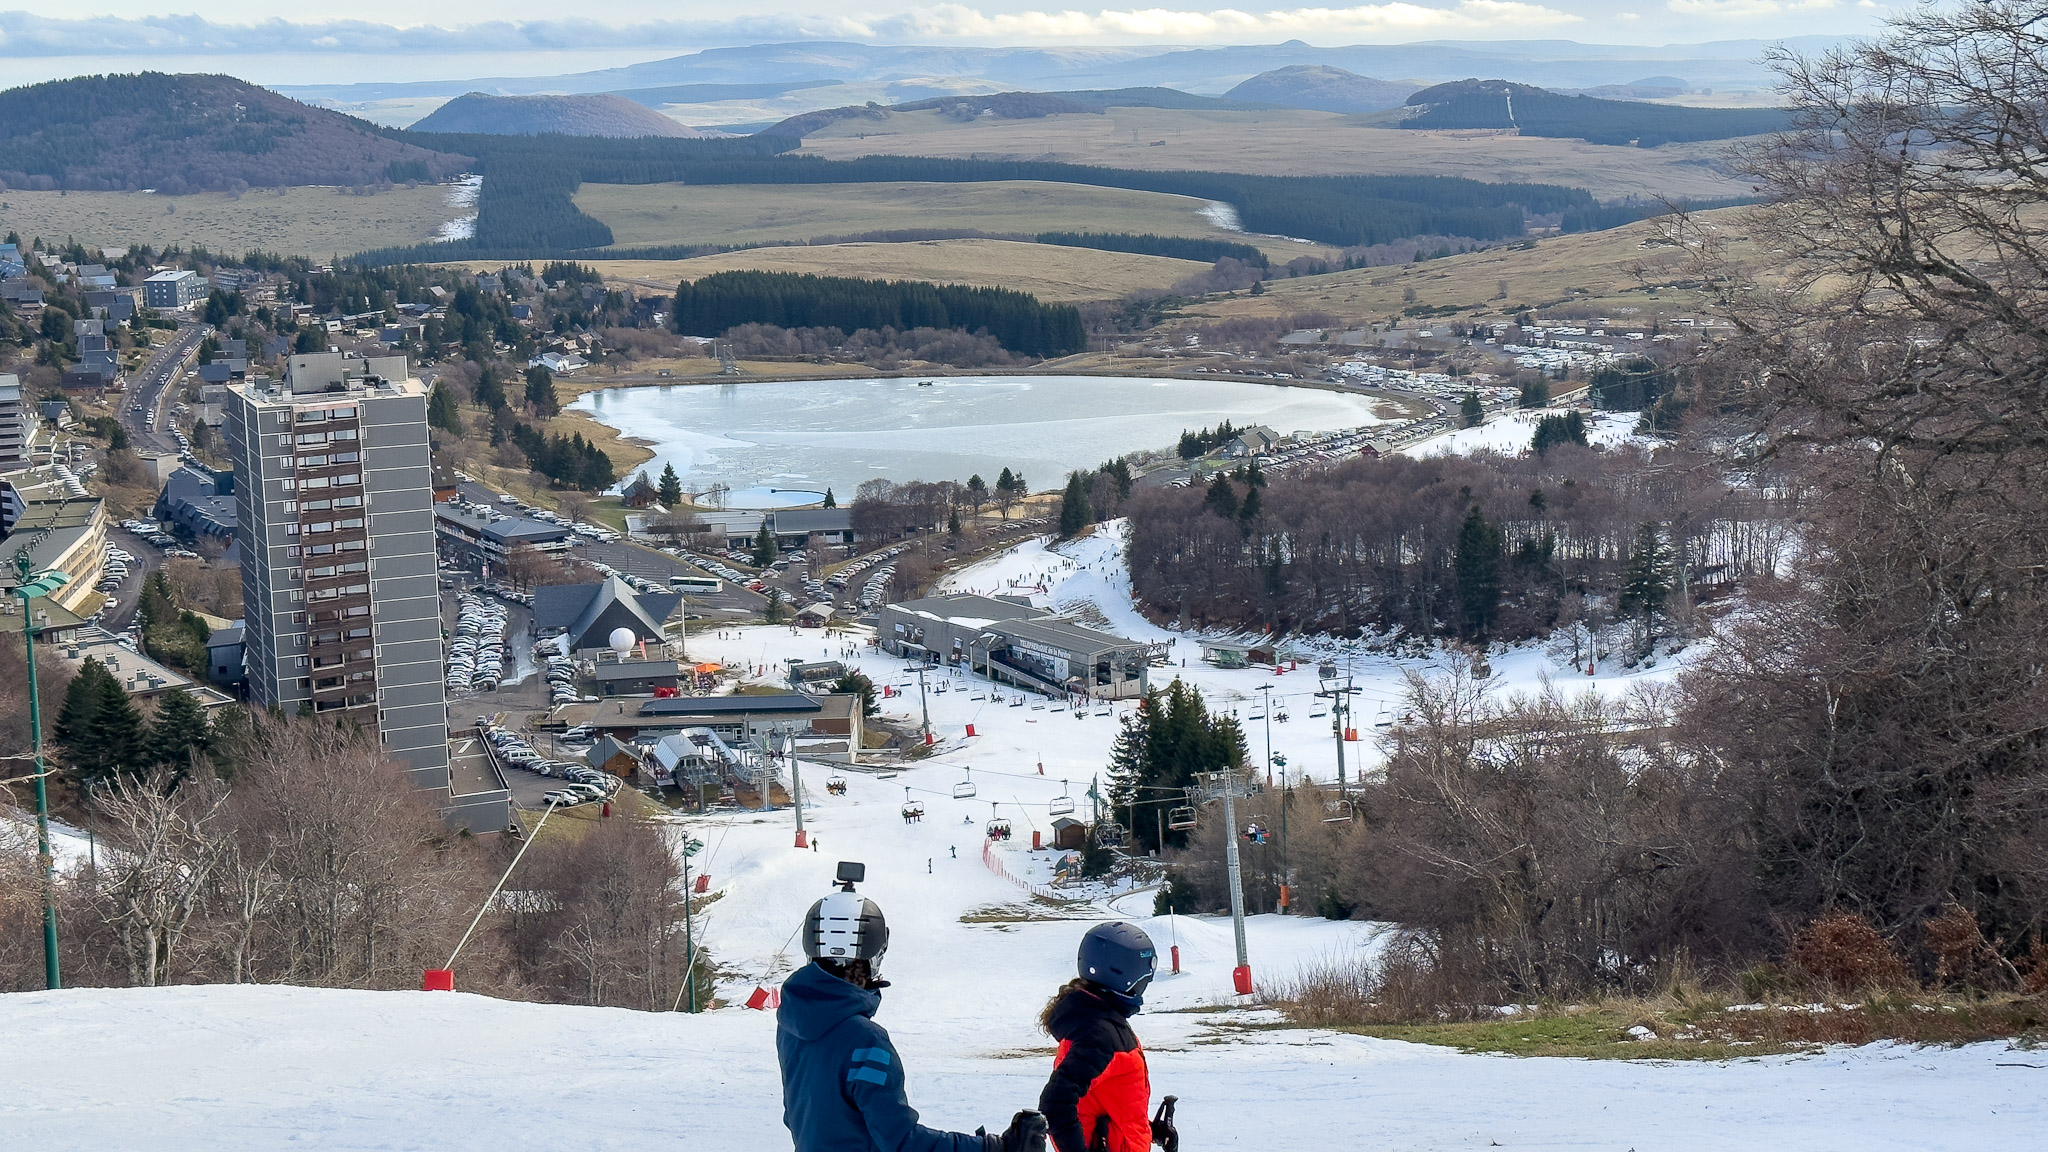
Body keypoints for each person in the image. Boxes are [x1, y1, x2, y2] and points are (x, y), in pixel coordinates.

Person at [779, 862, 1048, 1152]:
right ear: (873, 957)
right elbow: (902, 1142)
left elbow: (797, 1117)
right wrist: (993, 1148)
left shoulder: (791, 1025)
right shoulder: (866, 1041)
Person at [1036, 923, 1176, 1152]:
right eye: (1143, 980)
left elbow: (1102, 1101)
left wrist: (1149, 1130)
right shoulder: (1101, 1034)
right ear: (1126, 977)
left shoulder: (1096, 1021)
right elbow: (1055, 1104)